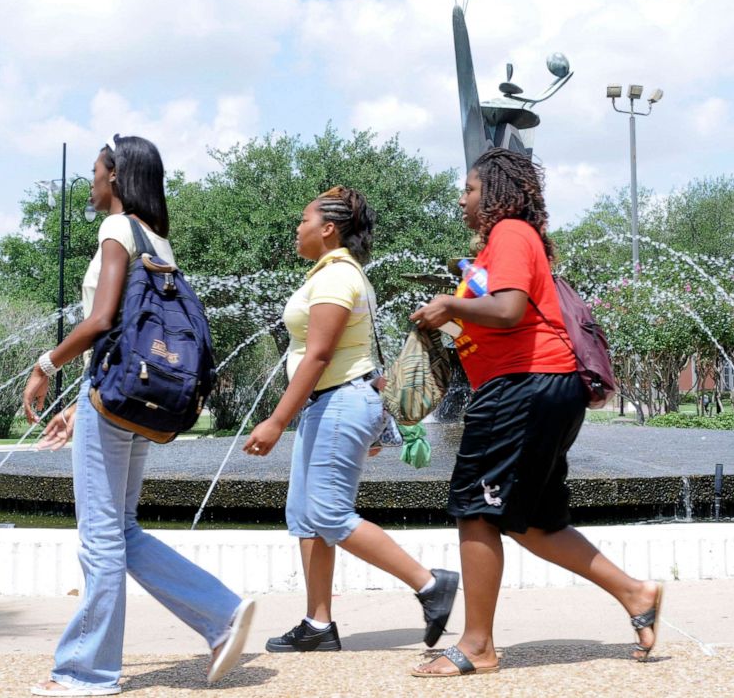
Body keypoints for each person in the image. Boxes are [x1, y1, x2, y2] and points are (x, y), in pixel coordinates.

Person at [409, 148, 663, 678]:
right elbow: (491, 327)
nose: (462, 199)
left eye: (470, 189)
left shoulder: (511, 234)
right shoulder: (499, 249)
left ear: (495, 194)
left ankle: (478, 646)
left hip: (525, 386)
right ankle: (635, 592)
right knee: (535, 521)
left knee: (475, 510)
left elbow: (508, 311)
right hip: (534, 386)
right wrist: (444, 323)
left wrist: (450, 305)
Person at [22, 136, 254, 696]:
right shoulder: (159, 241)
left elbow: (102, 320)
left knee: (101, 537)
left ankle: (86, 671)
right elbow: (134, 335)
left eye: (96, 171)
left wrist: (46, 364)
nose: (91, 181)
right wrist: (86, 401)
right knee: (121, 529)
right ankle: (221, 614)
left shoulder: (116, 231)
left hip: (115, 391)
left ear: (117, 178)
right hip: (134, 396)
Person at [243, 186, 458, 653]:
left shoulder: (339, 277)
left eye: (303, 219)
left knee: (328, 513)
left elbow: (319, 355)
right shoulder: (328, 275)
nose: (296, 228)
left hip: (339, 400)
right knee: (304, 515)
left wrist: (277, 421)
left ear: (328, 228)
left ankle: (429, 583)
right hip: (330, 404)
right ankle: (318, 624)